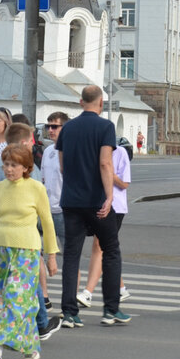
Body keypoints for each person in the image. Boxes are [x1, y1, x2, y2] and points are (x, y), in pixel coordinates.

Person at [0, 143, 59, 359]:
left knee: (13, 299)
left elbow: (47, 222)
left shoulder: (35, 188)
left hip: (27, 252)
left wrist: (51, 255)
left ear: (25, 168)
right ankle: (31, 349)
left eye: (14, 165)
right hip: (1, 250)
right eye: (6, 165)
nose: (8, 169)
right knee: (24, 303)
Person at [55, 85, 126, 328]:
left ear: (80, 102)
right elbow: (105, 164)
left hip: (71, 200)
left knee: (72, 255)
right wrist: (108, 197)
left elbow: (63, 167)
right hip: (96, 201)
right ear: (101, 103)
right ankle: (111, 309)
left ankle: (69, 313)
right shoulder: (106, 127)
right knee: (111, 249)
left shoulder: (67, 129)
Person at [78, 144, 132, 306]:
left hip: (116, 206)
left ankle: (88, 292)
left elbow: (125, 184)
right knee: (107, 248)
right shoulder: (94, 152)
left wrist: (109, 173)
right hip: (98, 205)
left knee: (99, 246)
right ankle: (121, 289)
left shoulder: (120, 152)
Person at [39, 112, 70, 257]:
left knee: (69, 255)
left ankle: (72, 280)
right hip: (46, 210)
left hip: (64, 210)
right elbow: (43, 180)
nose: (50, 130)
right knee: (43, 252)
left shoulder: (71, 150)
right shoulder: (48, 151)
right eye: (48, 126)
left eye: (54, 127)